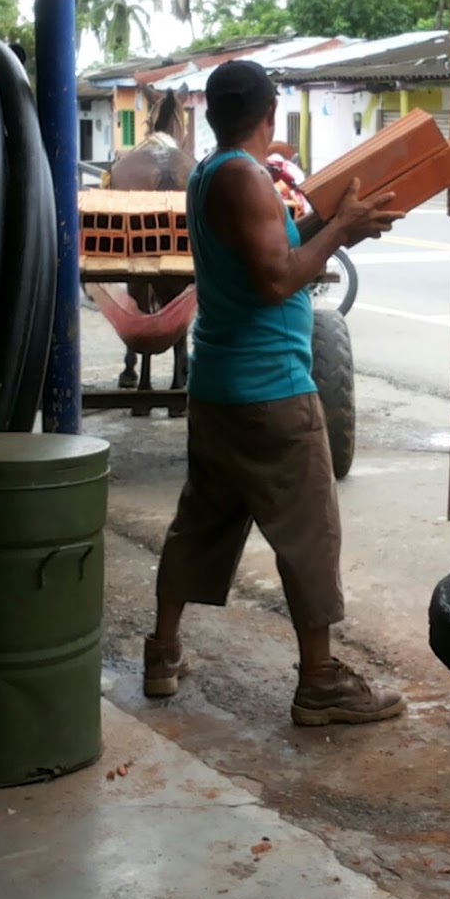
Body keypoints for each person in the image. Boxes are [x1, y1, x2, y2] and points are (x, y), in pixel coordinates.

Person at [144, 60, 407, 726]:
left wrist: (331, 221)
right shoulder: (243, 175)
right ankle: (318, 680)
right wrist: (340, 232)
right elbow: (274, 278)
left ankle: (163, 652)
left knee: (198, 525)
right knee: (309, 535)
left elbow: (264, 255)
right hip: (271, 393)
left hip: (220, 388)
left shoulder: (211, 173)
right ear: (269, 116)